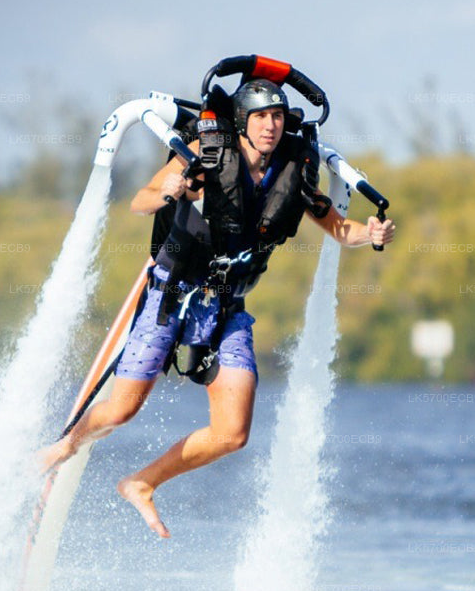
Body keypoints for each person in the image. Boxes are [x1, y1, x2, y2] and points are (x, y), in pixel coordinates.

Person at [38, 78, 395, 538]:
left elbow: (340, 229)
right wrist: (175, 191)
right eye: (261, 117)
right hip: (173, 293)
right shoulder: (205, 155)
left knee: (233, 433)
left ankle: (142, 483)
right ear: (243, 123)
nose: (271, 125)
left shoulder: (293, 167)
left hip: (226, 307)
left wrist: (371, 234)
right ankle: (66, 446)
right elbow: (140, 202)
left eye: (278, 117)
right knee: (121, 410)